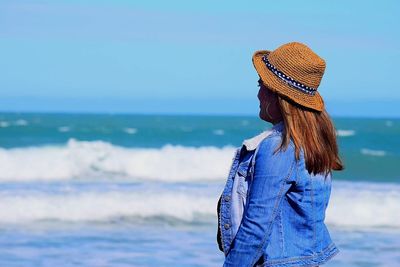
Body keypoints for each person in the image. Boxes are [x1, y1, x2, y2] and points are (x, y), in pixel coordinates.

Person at [217, 42, 343, 267]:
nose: (257, 94)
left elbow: (255, 228)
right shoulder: (314, 143)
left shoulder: (278, 147)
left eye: (261, 85)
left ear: (278, 96)